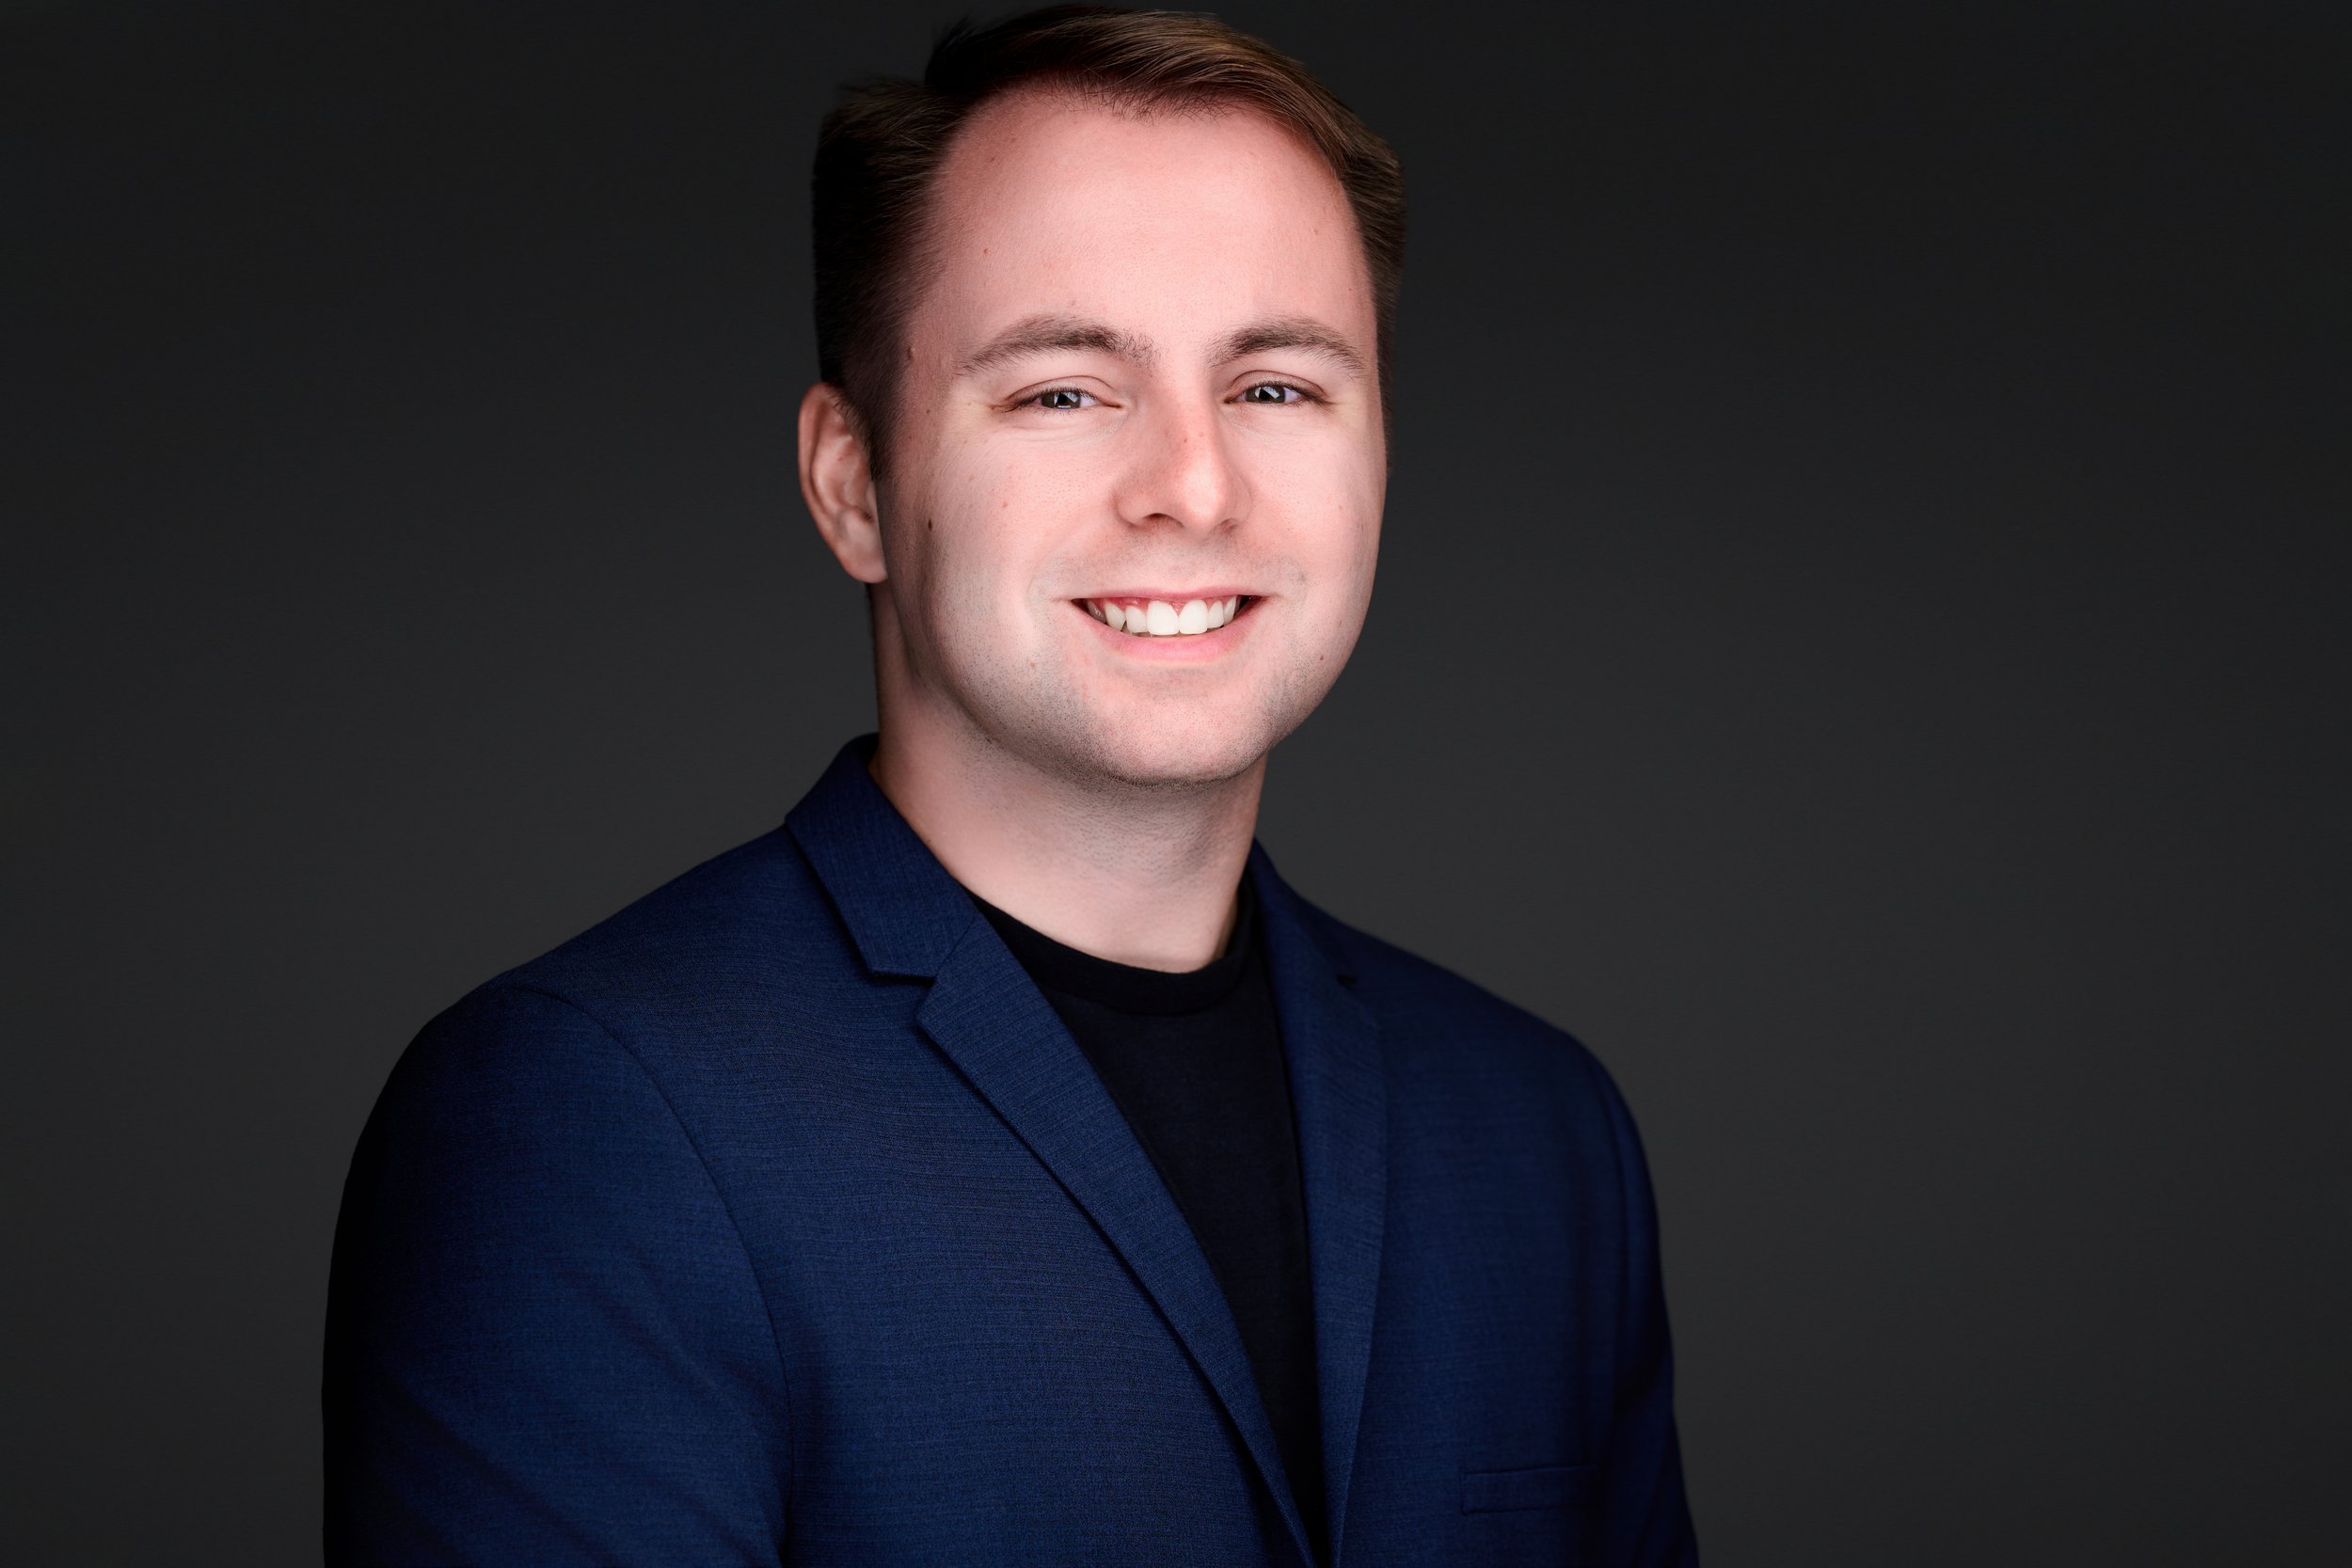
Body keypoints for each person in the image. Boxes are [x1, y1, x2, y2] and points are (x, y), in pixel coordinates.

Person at [322, 7, 1698, 1564]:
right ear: (854, 482)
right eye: (1064, 389)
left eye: (1274, 388)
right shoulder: (582, 1123)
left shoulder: (1538, 1126)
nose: (1194, 486)